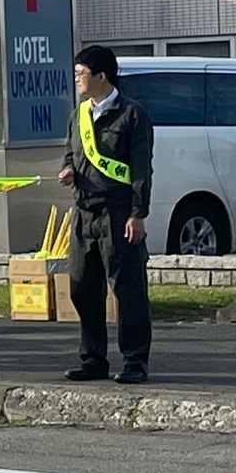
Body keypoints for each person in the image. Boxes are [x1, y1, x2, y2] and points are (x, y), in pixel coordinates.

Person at [59, 44, 155, 384]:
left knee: (128, 289)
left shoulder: (132, 114)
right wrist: (68, 170)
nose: (77, 80)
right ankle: (93, 358)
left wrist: (137, 212)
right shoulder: (78, 115)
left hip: (118, 213)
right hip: (84, 212)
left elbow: (141, 167)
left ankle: (134, 361)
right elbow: (70, 154)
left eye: (81, 74)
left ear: (101, 75)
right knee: (82, 287)